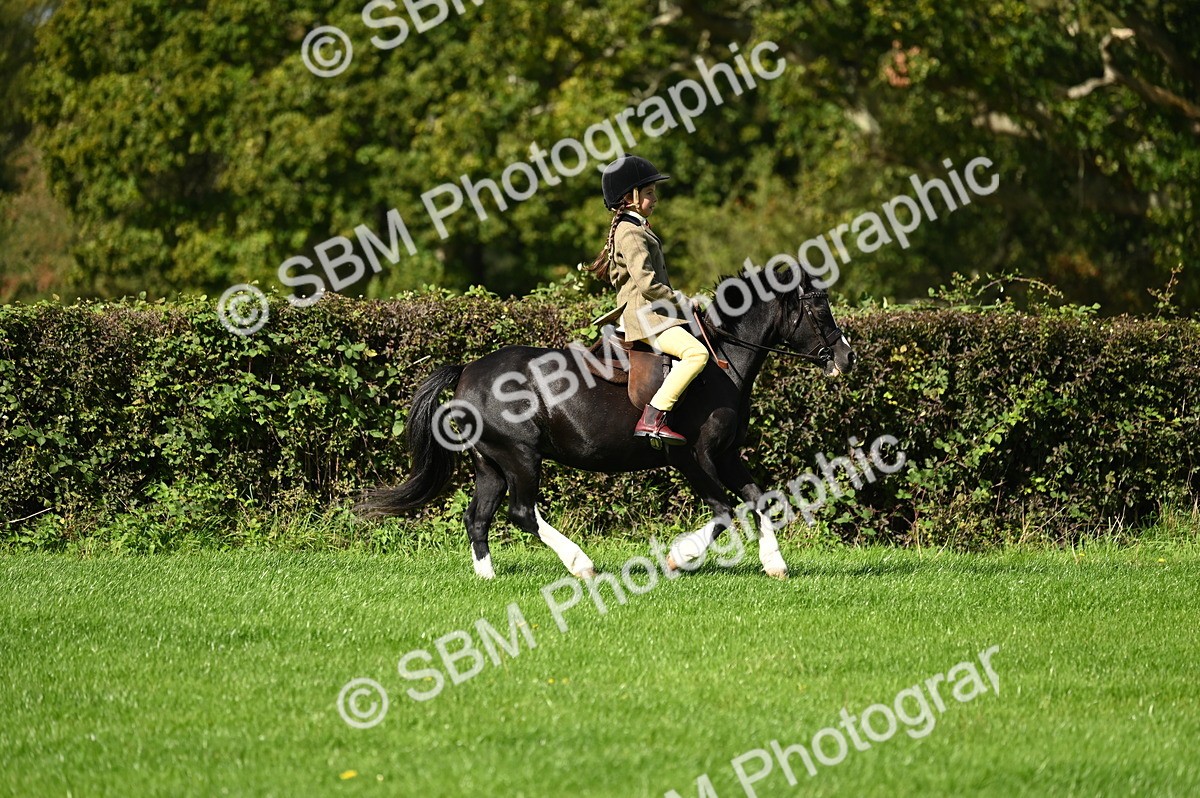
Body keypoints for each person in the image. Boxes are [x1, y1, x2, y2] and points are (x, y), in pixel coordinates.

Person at [586, 155, 708, 445]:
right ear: (630, 198)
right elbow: (648, 284)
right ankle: (654, 416)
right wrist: (682, 301)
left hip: (653, 315)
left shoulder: (636, 228)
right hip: (648, 319)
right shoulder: (630, 232)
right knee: (697, 354)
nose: (655, 199)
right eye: (650, 193)